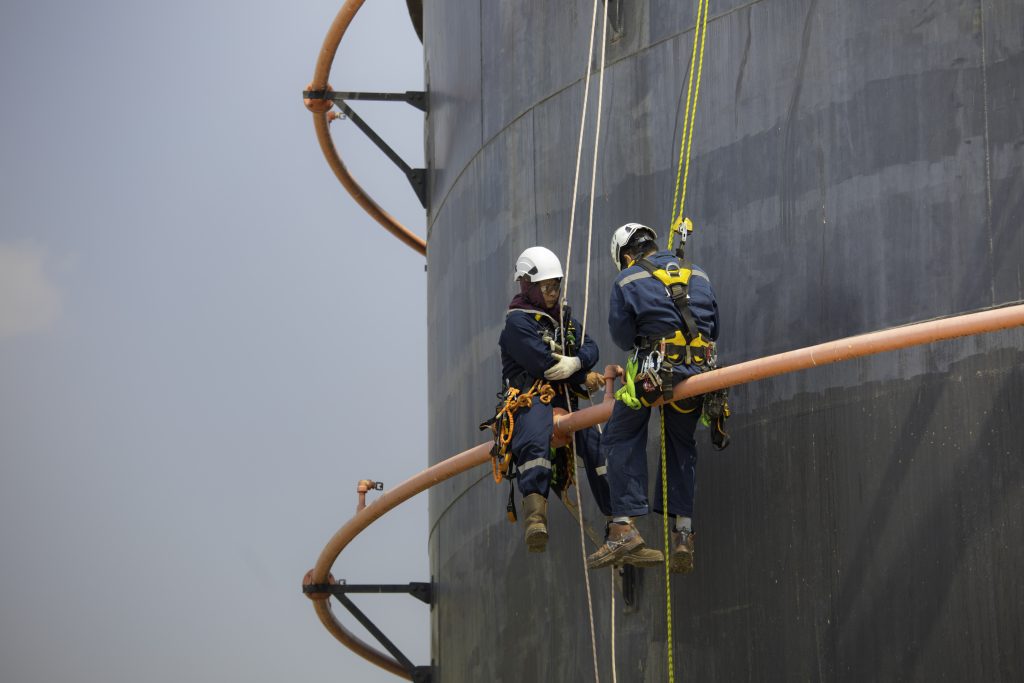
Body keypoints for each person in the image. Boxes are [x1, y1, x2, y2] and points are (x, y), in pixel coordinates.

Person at [586, 223, 719, 574]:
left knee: (621, 434)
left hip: (656, 377)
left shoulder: (626, 280)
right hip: (700, 377)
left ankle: (624, 527)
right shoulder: (699, 274)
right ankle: (683, 535)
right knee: (681, 443)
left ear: (627, 256)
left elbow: (624, 337)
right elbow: (713, 328)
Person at [497, 246, 599, 552]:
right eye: (547, 287)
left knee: (598, 446)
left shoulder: (563, 319)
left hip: (565, 403)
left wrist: (576, 363)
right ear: (528, 286)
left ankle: (620, 524)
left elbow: (590, 347)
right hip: (531, 400)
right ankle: (536, 518)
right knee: (533, 439)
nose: (553, 293)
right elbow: (544, 364)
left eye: (556, 286)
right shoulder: (517, 324)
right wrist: (581, 373)